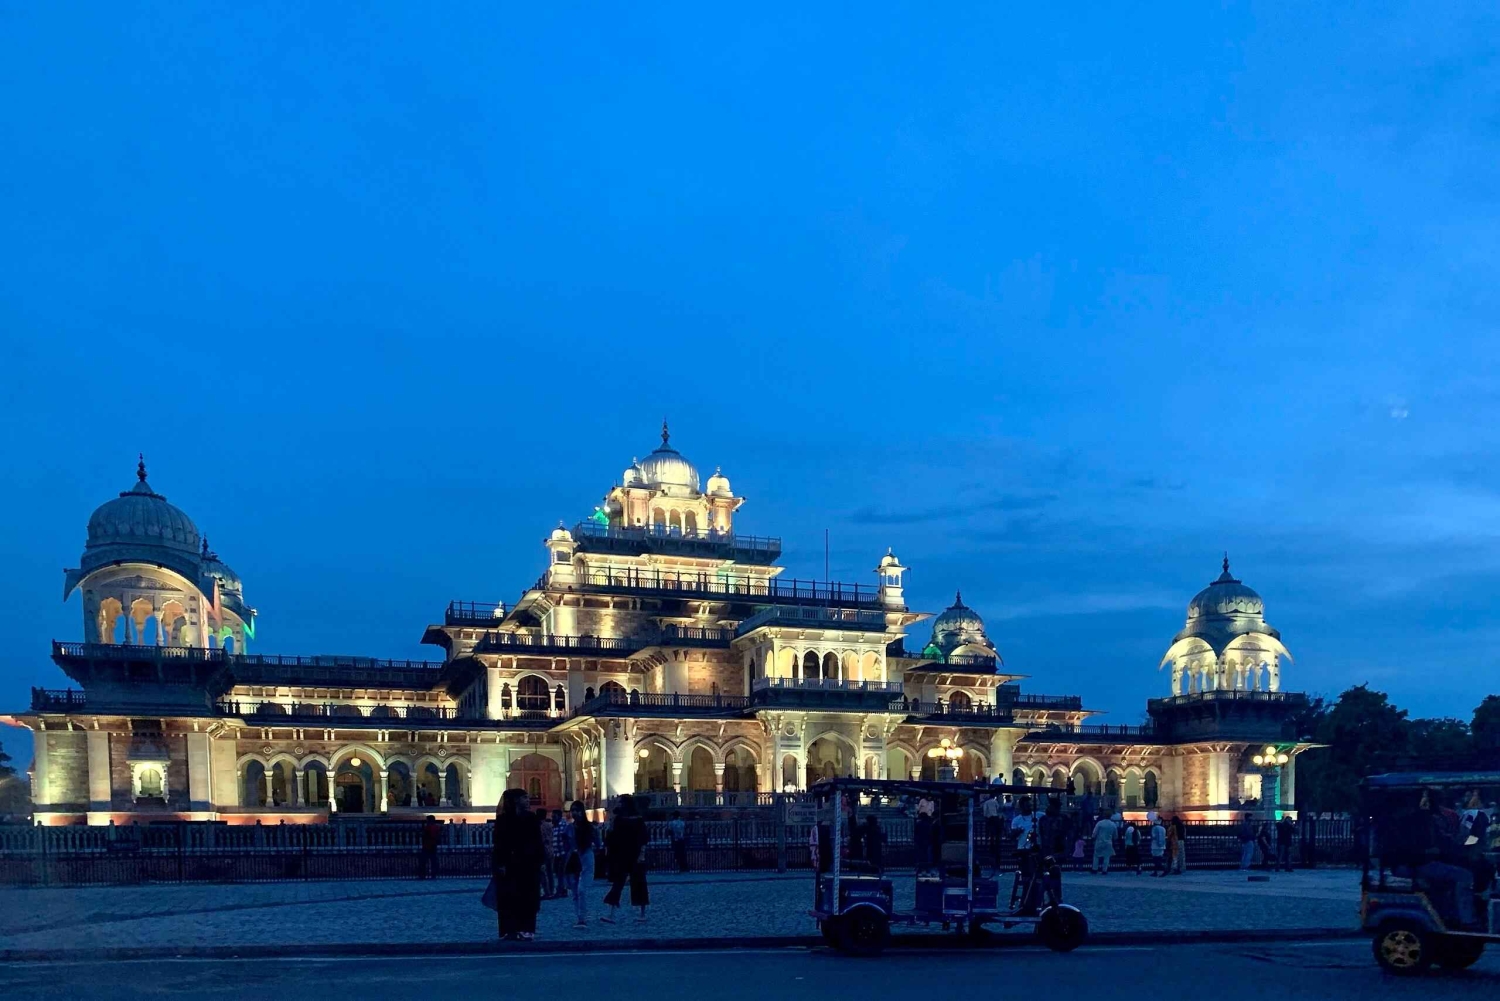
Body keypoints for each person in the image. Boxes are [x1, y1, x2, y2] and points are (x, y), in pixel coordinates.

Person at [492, 788, 546, 941]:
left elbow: (538, 841)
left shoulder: (531, 818)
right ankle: (509, 929)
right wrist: (500, 862)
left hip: (528, 863)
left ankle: (527, 928)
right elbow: (499, 843)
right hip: (510, 864)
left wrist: (540, 860)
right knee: (508, 896)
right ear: (515, 800)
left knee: (528, 895)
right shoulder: (503, 820)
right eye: (524, 798)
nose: (528, 801)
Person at [602, 793, 650, 923]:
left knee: (638, 883)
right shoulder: (621, 819)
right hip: (623, 855)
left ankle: (641, 912)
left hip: (633, 855)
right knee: (619, 883)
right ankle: (611, 912)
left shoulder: (635, 820)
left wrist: (641, 854)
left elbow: (643, 839)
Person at [563, 800, 596, 928]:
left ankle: (583, 915)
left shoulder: (589, 827)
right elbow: (566, 847)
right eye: (573, 810)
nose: (575, 813)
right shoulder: (568, 828)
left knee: (582, 889)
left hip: (585, 856)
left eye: (577, 810)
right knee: (575, 891)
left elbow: (597, 842)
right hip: (573, 858)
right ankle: (580, 917)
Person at [551, 808, 571, 898]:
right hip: (557, 854)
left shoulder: (563, 825)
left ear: (559, 816)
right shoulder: (555, 826)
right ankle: (562, 889)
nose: (552, 818)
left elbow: (567, 839)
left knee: (561, 873)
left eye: (554, 817)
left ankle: (561, 890)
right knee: (559, 873)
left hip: (563, 853)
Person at [538, 807, 556, 899]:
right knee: (550, 872)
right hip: (551, 849)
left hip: (543, 850)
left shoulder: (539, 826)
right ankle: (552, 891)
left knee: (542, 872)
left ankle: (547, 891)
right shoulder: (550, 825)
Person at [418, 814, 442, 880]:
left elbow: (424, 835)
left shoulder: (427, 828)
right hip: (433, 846)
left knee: (423, 861)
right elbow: (438, 836)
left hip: (427, 846)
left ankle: (423, 875)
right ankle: (433, 875)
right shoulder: (437, 827)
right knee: (433, 862)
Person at [983, 793, 1003, 868]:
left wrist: (985, 816)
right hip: (995, 817)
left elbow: (985, 811)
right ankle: (996, 839)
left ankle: (990, 838)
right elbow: (998, 808)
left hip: (990, 818)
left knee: (990, 830)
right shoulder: (995, 802)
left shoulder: (986, 802)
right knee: (996, 832)